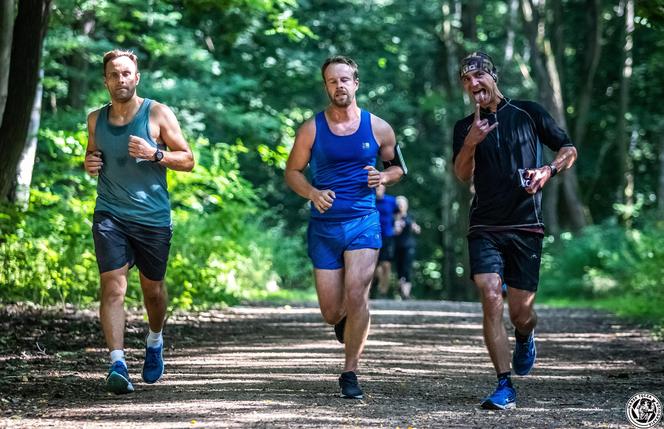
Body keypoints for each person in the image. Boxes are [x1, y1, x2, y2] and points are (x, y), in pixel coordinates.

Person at [452, 51, 577, 410]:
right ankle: (503, 384)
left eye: (479, 76)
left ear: (493, 77)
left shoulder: (529, 112)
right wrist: (472, 141)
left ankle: (525, 334)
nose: (474, 84)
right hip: (485, 225)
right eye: (466, 80)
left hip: (526, 225)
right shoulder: (464, 127)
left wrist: (548, 171)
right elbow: (461, 174)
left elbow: (568, 149)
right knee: (491, 293)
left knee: (521, 311)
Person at [285, 55, 405, 399]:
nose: (339, 86)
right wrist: (312, 192)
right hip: (324, 227)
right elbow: (292, 172)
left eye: (345, 79)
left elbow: (398, 168)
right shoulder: (311, 128)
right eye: (332, 81)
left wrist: (383, 176)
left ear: (356, 83)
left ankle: (350, 371)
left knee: (357, 294)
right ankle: (343, 322)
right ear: (326, 86)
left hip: (363, 221)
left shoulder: (379, 127)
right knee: (330, 311)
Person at [84, 49, 195, 394]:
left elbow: (188, 159)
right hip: (110, 213)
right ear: (106, 80)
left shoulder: (157, 113)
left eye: (127, 74)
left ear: (137, 77)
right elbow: (92, 154)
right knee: (113, 286)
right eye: (114, 74)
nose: (121, 80)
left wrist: (155, 153)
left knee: (154, 292)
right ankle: (117, 363)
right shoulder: (94, 120)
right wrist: (88, 163)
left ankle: (155, 339)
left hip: (152, 218)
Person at [393, 195, 420, 299]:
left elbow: (417, 229)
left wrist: (415, 228)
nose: (400, 206)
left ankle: (406, 294)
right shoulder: (393, 216)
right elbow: (392, 231)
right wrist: (396, 227)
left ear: (406, 205)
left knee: (407, 268)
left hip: (409, 245)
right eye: (398, 204)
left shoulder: (410, 216)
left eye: (402, 204)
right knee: (399, 269)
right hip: (397, 246)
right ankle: (401, 289)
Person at [373, 184, 398, 298]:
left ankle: (383, 291)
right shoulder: (369, 199)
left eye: (380, 187)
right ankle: (372, 288)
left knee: (386, 265)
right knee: (373, 266)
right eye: (376, 187)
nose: (378, 189)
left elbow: (399, 213)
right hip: (371, 235)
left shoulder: (391, 201)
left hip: (387, 236)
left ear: (384, 188)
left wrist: (397, 224)